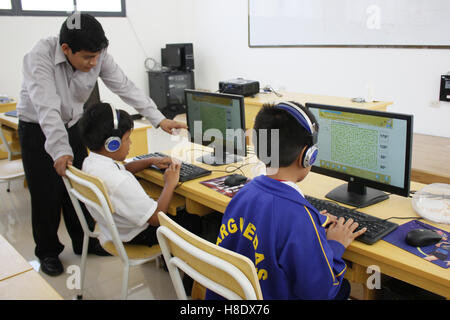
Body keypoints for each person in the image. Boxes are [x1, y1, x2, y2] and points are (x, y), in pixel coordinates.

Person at [17, 13, 186, 276]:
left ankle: (83, 239)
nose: (93, 62)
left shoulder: (99, 55)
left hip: (72, 124)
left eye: (97, 56)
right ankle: (48, 251)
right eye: (87, 57)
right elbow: (47, 109)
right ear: (66, 50)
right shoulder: (40, 56)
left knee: (78, 185)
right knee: (45, 193)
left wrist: (158, 118)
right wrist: (60, 151)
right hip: (37, 127)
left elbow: (126, 87)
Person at [205, 101, 366, 300]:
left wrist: (313, 221)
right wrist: (336, 244)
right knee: (343, 289)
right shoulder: (298, 217)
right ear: (307, 156)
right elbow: (319, 292)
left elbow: (270, 223)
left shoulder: (243, 194)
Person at [78, 102, 201, 249]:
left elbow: (123, 169)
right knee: (195, 221)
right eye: (127, 139)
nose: (130, 143)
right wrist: (169, 184)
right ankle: (184, 269)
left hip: (114, 231)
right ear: (112, 144)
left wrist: (151, 161)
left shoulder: (91, 162)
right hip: (138, 234)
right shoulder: (119, 182)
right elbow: (156, 218)